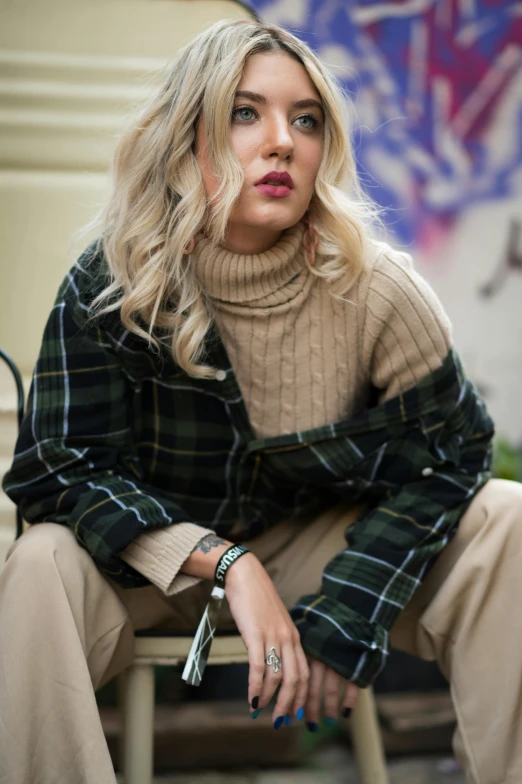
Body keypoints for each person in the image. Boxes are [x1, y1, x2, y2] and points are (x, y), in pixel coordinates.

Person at [1, 17, 521, 784]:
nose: (281, 141)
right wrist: (227, 566)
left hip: (313, 549)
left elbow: (454, 458)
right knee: (40, 560)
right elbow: (56, 470)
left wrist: (349, 615)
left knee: (506, 518)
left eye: (305, 120)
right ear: (189, 138)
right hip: (152, 571)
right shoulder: (112, 285)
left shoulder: (376, 289)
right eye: (245, 112)